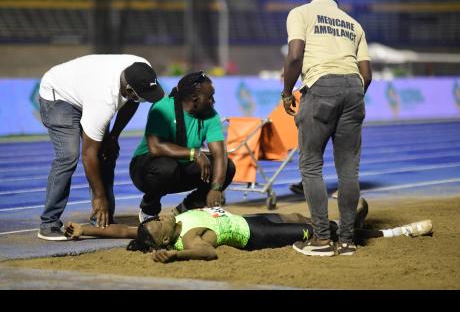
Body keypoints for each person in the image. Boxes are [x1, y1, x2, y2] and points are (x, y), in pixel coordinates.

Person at [281, 0, 373, 256]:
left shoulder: (301, 13)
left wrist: (287, 93)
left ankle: (321, 239)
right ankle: (346, 241)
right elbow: (366, 75)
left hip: (320, 84)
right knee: (348, 171)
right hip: (354, 87)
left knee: (311, 165)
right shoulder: (354, 24)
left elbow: (295, 56)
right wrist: (349, 98)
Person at [37, 54, 164, 241]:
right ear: (129, 89)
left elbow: (131, 104)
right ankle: (49, 223)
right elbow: (89, 155)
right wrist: (99, 196)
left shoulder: (141, 68)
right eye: (142, 96)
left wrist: (114, 136)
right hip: (58, 95)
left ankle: (102, 220)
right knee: (69, 156)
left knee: (107, 153)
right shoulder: (102, 101)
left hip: (83, 88)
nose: (146, 99)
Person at [63, 198, 433, 261]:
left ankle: (346, 223)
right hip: (256, 238)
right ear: (163, 238)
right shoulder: (188, 236)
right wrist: (176, 254)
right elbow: (208, 251)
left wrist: (84, 229)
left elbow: (125, 232)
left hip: (249, 221)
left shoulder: (166, 224)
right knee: (315, 233)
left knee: (298, 216)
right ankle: (372, 231)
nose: (159, 216)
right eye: (158, 223)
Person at [129, 71, 236, 222]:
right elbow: (155, 147)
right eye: (210, 97)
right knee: (167, 168)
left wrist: (216, 188)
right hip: (147, 169)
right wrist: (195, 153)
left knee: (228, 167)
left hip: (181, 168)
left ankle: (186, 209)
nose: (213, 101)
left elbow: (220, 155)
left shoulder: (211, 115)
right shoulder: (162, 108)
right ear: (195, 99)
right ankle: (149, 209)